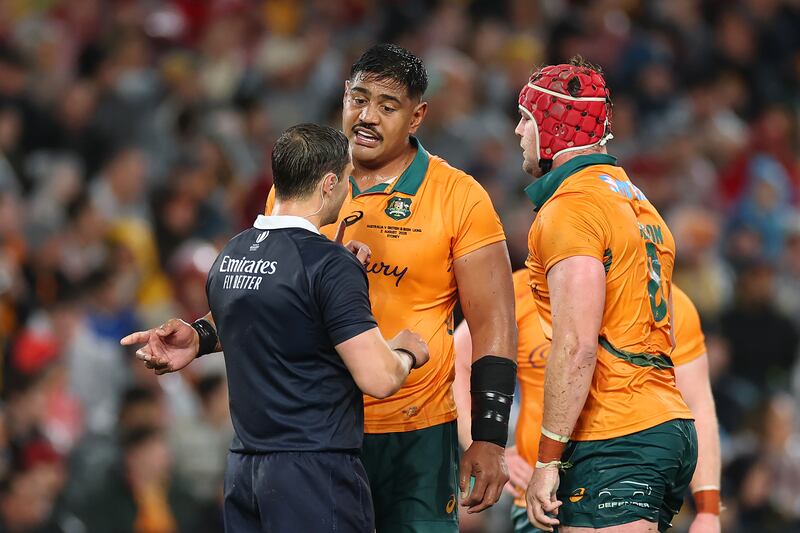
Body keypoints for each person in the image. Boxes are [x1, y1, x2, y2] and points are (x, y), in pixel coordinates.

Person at [121, 123, 431, 532]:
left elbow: (271, 308)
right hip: (316, 473)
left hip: (245, 472)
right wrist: (407, 351)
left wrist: (199, 337)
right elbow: (378, 377)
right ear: (329, 183)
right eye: (349, 177)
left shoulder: (230, 254)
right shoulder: (328, 266)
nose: (352, 189)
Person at [263, 43, 517, 531]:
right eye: (359, 99)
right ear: (343, 96)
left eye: (387, 105)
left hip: (416, 434)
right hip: (315, 428)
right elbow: (263, 288)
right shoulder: (298, 185)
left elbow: (493, 323)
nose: (368, 116)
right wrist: (202, 335)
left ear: (417, 115)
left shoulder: (459, 197)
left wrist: (488, 437)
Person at [516, 57, 698, 532]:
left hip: (616, 433)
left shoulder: (571, 209)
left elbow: (577, 345)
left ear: (554, 130)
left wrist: (547, 459)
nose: (517, 132)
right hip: (664, 422)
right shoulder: (640, 204)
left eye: (526, 119)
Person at [454, 274, 722, 533]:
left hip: (624, 485)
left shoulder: (662, 299)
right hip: (539, 498)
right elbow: (457, 359)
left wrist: (708, 510)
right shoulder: (521, 290)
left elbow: (697, 402)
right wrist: (485, 445)